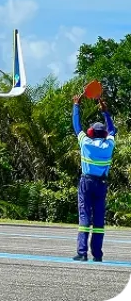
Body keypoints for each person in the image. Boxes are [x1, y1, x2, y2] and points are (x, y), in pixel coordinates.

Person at [71, 94, 117, 262]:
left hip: (86, 182)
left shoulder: (86, 143)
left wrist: (76, 105)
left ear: (91, 132)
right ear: (104, 134)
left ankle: (82, 253)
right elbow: (112, 130)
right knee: (98, 219)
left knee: (84, 216)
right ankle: (97, 254)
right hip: (101, 184)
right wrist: (105, 112)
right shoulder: (109, 144)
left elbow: (77, 126)